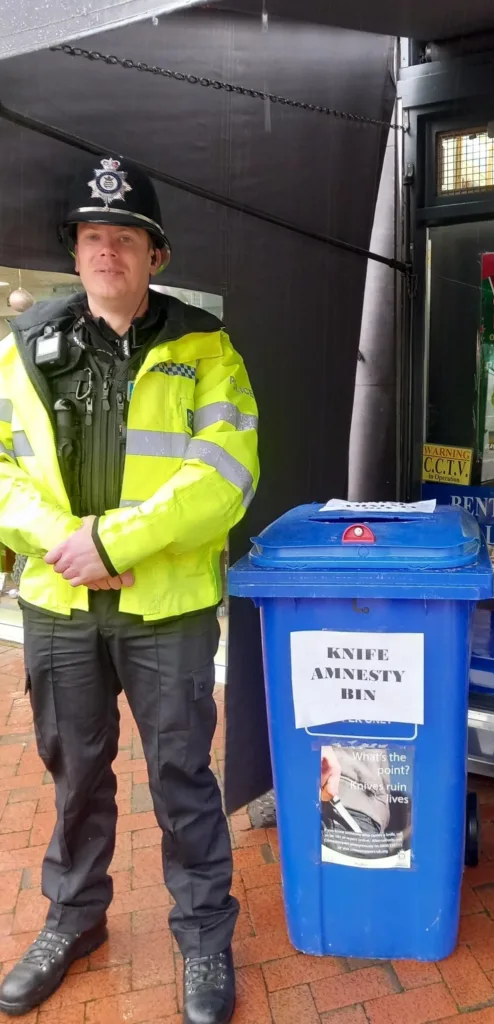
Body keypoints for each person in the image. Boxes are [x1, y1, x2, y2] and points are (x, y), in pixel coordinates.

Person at [0, 154, 258, 1024]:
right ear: (74, 252)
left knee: (184, 775)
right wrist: (64, 544)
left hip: (168, 609)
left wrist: (116, 538)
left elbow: (226, 473)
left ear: (158, 256)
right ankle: (75, 919)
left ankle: (204, 937)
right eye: (93, 236)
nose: (107, 250)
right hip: (62, 606)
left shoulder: (205, 349)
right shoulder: (24, 345)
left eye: (127, 237)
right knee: (73, 774)